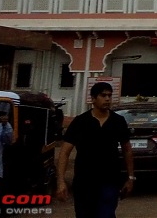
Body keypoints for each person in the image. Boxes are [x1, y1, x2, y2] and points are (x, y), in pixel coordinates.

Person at [56, 83, 134, 218]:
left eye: (109, 95)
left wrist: (130, 177)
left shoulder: (118, 121)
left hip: (110, 180)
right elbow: (64, 152)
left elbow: (127, 150)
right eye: (103, 95)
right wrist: (61, 181)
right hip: (84, 181)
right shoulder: (80, 122)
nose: (107, 99)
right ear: (93, 99)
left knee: (106, 214)